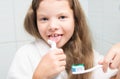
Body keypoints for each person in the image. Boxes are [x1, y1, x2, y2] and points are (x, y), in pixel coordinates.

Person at [7, 0, 120, 79]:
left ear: (75, 20)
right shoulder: (25, 55)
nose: (52, 26)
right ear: (35, 22)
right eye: (44, 19)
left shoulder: (87, 53)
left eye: (62, 17)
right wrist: (39, 77)